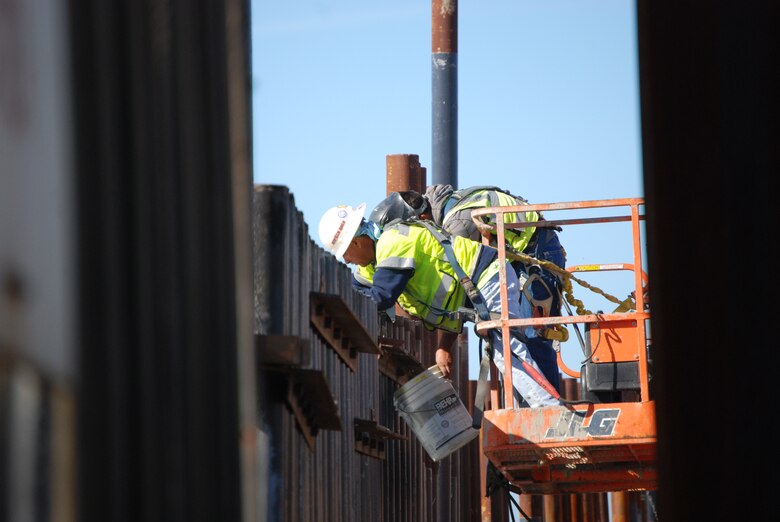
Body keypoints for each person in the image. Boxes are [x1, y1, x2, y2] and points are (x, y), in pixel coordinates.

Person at [318, 202, 562, 408]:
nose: (347, 261)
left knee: (505, 351)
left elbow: (381, 297)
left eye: (345, 254)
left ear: (357, 242)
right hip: (473, 291)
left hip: (488, 276)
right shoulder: (371, 264)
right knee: (503, 351)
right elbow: (358, 289)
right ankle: (540, 408)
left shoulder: (394, 242)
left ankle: (550, 410)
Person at [368, 185, 566, 392]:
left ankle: (550, 408)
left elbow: (461, 287)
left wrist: (444, 345)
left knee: (531, 336)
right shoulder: (445, 208)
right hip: (517, 258)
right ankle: (536, 405)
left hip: (537, 255)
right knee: (514, 340)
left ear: (421, 217)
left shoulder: (457, 225)